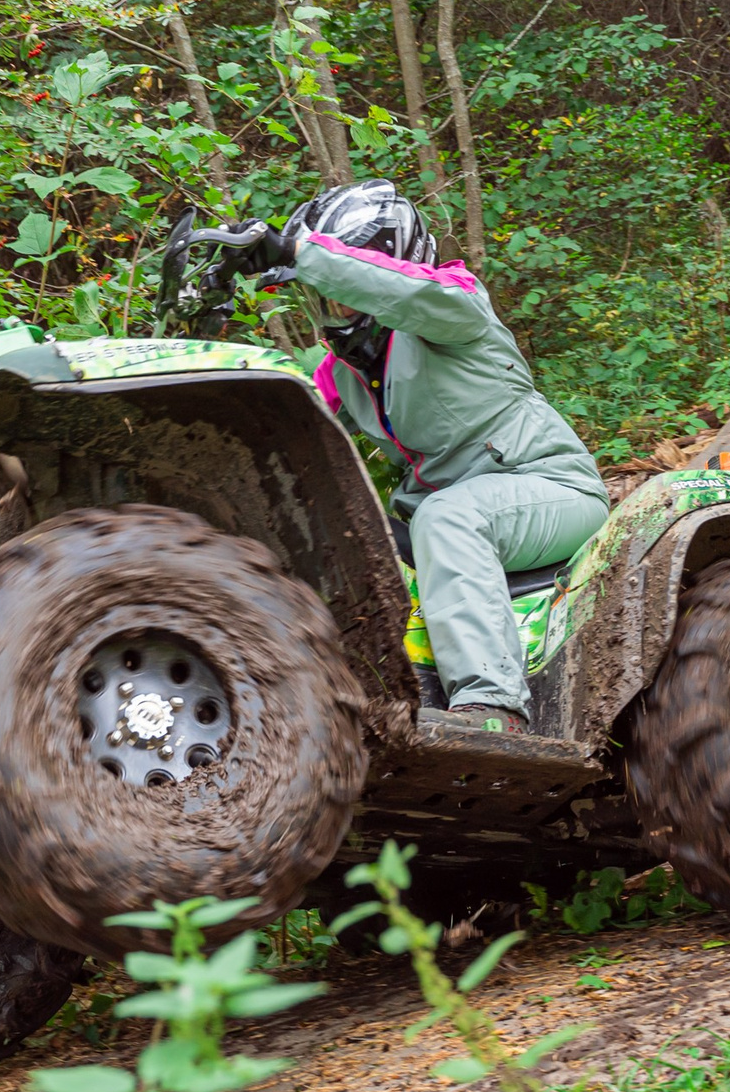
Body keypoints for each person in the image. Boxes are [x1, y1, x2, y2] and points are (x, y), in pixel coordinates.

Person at [250, 180, 607, 735]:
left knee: (448, 516)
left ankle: (493, 705)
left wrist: (299, 252)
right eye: (325, 297)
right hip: (449, 516)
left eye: (345, 288)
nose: (337, 308)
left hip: (551, 490)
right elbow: (282, 429)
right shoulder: (345, 371)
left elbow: (411, 296)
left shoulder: (456, 308)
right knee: (339, 539)